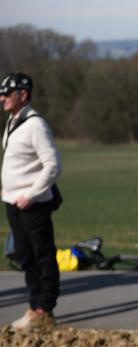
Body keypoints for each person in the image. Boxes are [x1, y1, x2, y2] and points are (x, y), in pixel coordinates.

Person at [1, 72, 61, 329]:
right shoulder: (13, 121)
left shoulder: (35, 124)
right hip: (13, 202)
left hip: (32, 204)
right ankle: (34, 305)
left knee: (42, 256)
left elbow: (53, 165)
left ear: (23, 94)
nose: (2, 98)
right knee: (25, 256)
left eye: (7, 93)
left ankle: (44, 309)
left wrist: (31, 194)